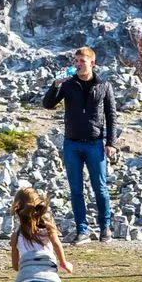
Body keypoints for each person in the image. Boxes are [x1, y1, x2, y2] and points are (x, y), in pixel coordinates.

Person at [41, 46, 118, 242]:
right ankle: (82, 230)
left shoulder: (104, 85)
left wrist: (111, 143)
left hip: (94, 143)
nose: (78, 65)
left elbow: (111, 116)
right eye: (76, 62)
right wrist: (56, 84)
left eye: (82, 62)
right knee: (76, 190)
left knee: (100, 187)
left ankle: (105, 228)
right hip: (72, 143)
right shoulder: (68, 84)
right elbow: (48, 104)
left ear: (92, 63)